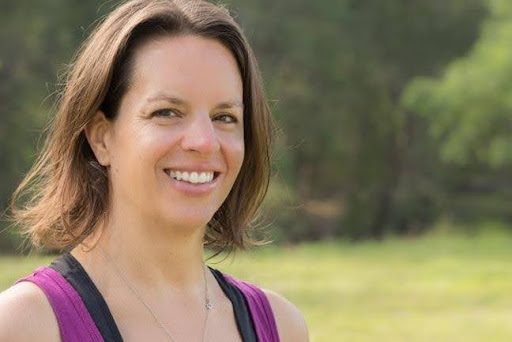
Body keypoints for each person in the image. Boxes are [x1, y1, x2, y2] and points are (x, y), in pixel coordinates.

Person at [0, 0, 309, 341]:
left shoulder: (280, 327)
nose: (204, 142)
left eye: (225, 117)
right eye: (167, 112)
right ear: (101, 138)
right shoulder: (25, 325)